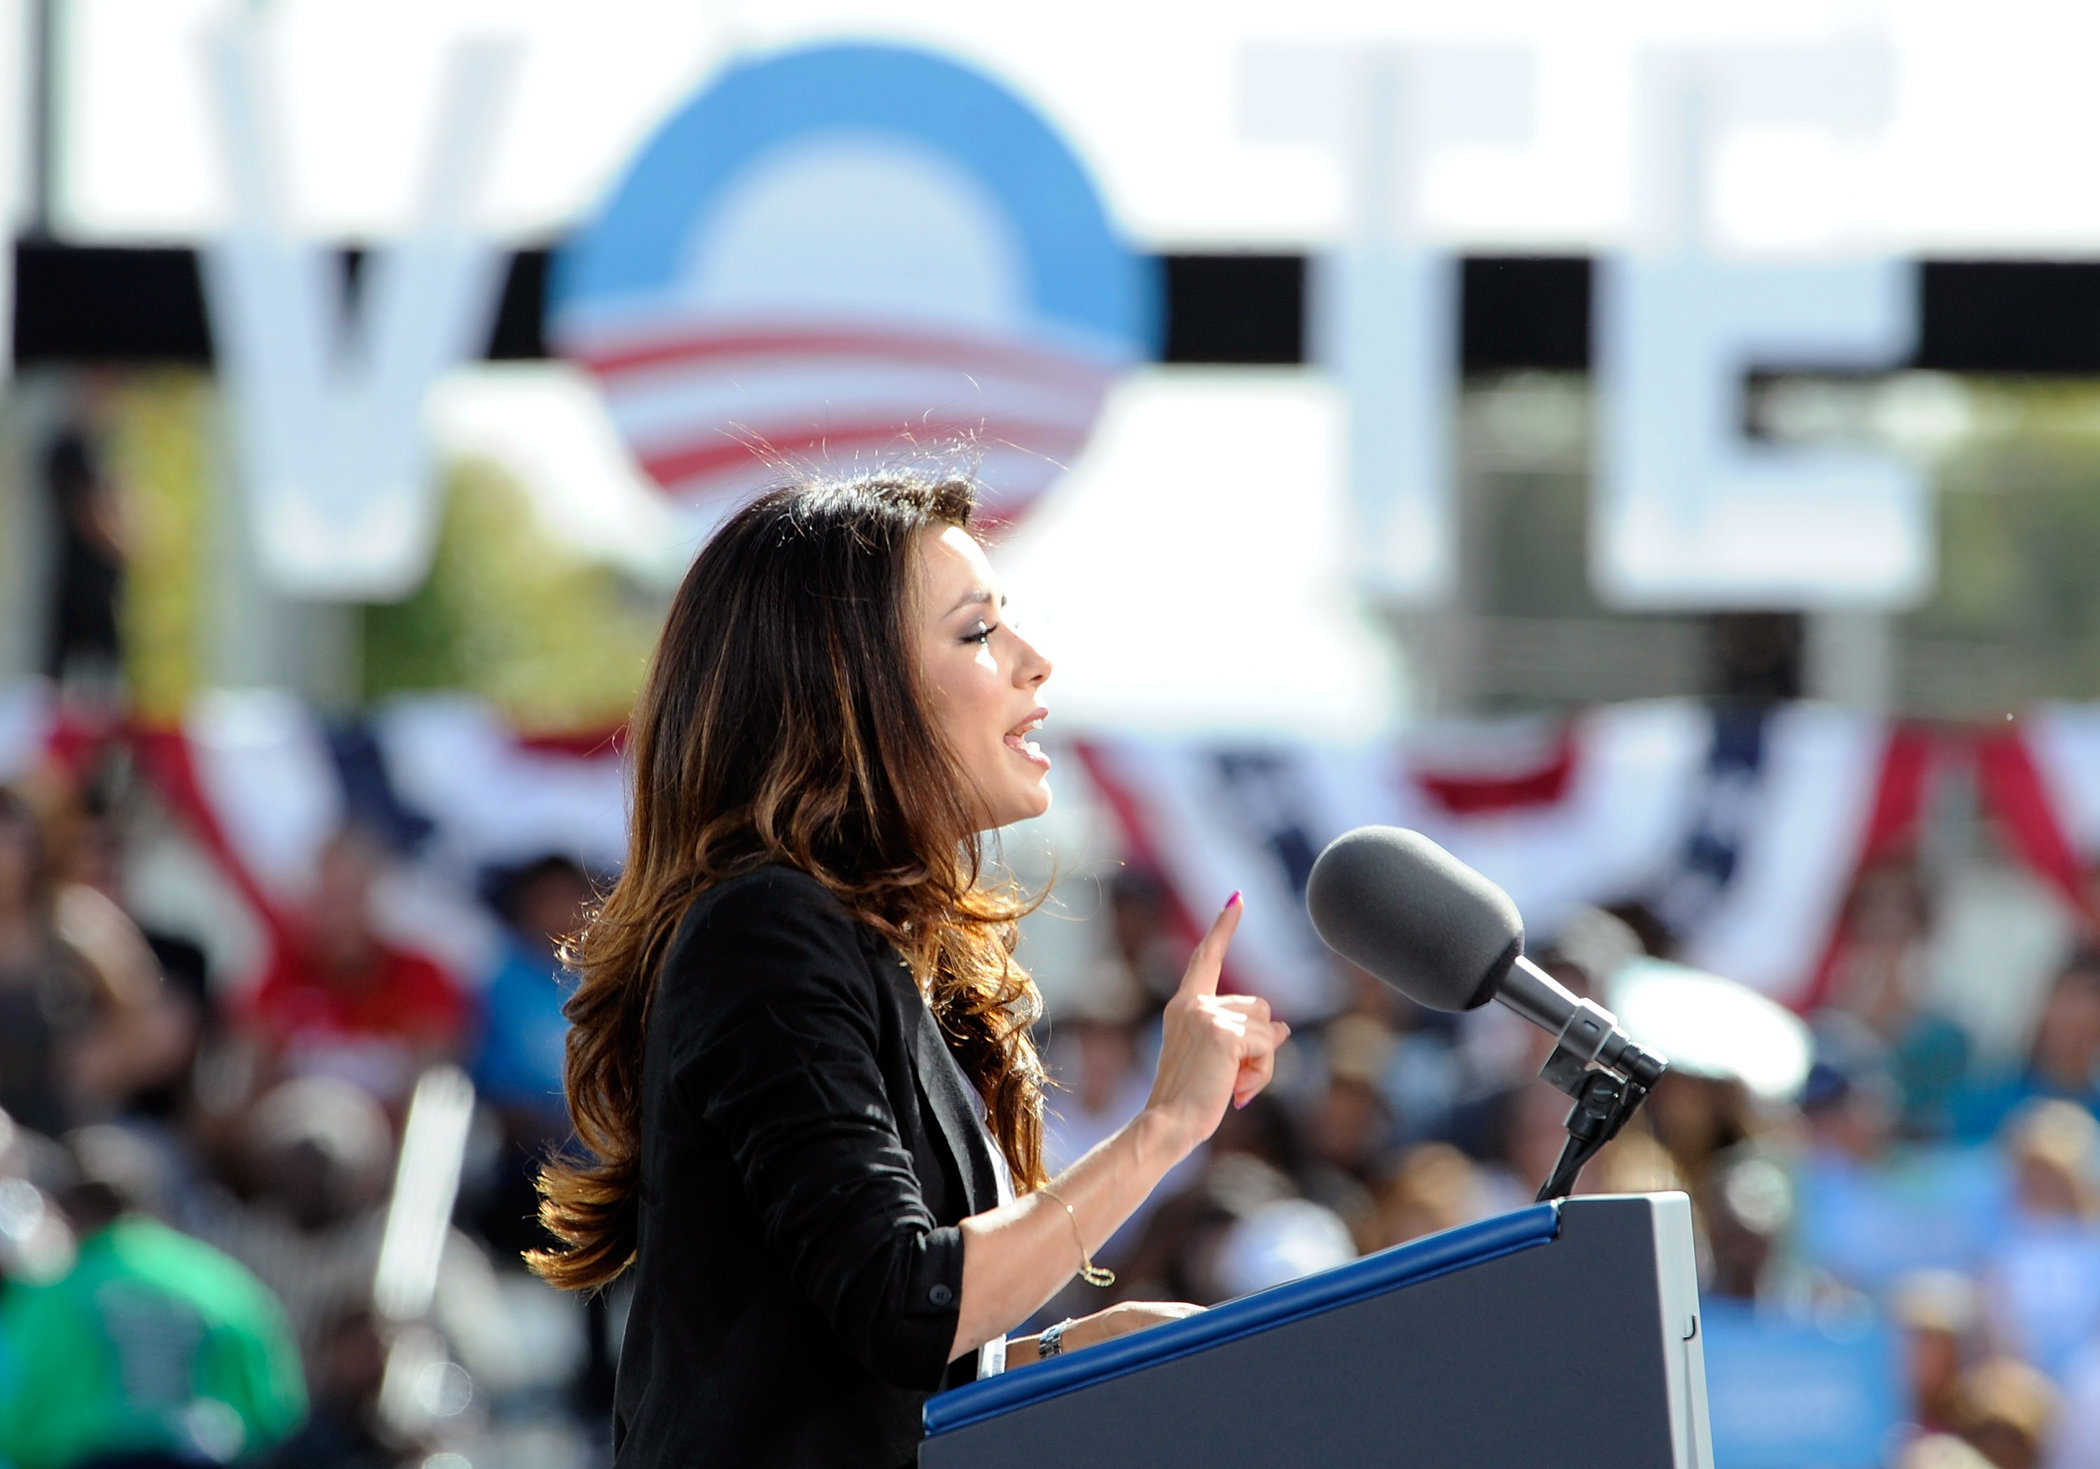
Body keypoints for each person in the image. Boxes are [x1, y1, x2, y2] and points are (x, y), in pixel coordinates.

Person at [528, 475, 1290, 1468]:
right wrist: (1165, 1127)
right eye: (978, 634)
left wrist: (1052, 1352)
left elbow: (832, 1357)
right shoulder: (767, 927)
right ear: (849, 687)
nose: (1034, 660)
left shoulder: (850, 940)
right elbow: (901, 1300)